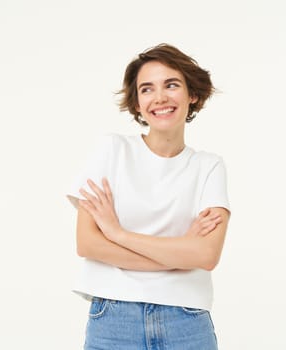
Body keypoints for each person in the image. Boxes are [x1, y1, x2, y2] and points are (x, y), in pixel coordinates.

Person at [66, 43, 231, 350]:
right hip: (114, 318)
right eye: (146, 89)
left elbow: (206, 256)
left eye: (171, 85)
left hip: (186, 319)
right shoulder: (111, 150)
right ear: (137, 104)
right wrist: (179, 255)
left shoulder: (209, 166)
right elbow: (87, 244)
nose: (160, 98)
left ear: (192, 94)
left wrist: (116, 233)